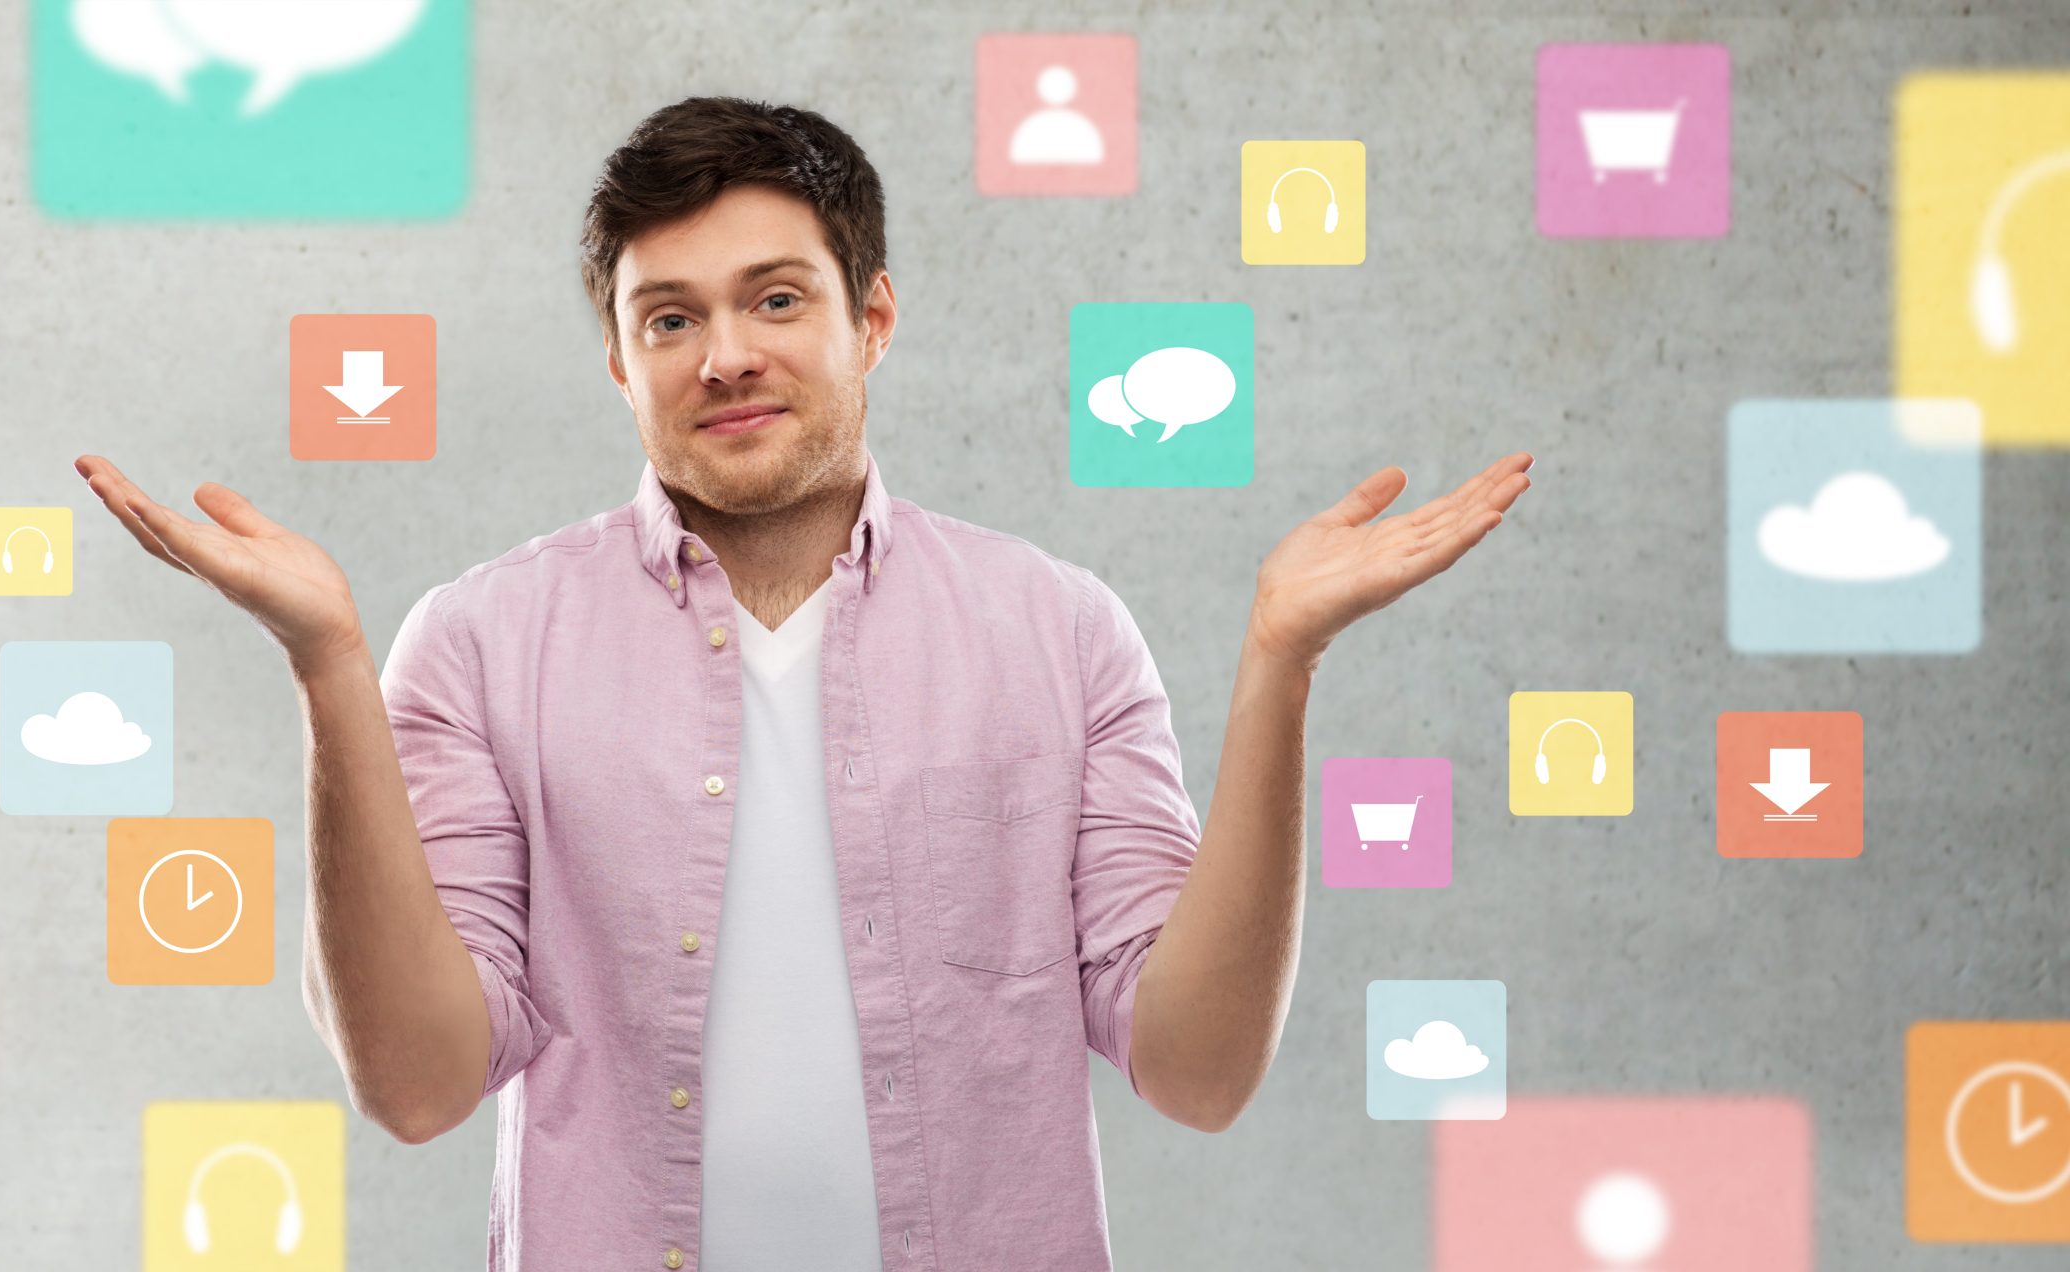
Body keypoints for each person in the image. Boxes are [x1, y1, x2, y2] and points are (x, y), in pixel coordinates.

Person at [76, 96, 1531, 1271]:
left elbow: (1197, 1071)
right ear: (617, 358)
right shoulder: (474, 642)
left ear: (872, 316)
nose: (726, 357)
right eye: (669, 318)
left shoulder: (1062, 629)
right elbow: (416, 1089)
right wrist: (328, 664)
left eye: (776, 298)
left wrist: (1284, 661)